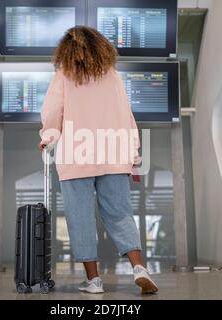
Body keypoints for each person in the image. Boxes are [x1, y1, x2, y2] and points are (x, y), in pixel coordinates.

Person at [38, 26, 158, 294]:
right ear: (99, 46)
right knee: (120, 214)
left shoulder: (64, 75)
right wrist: (134, 153)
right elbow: (127, 117)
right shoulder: (112, 76)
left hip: (76, 156)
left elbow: (52, 112)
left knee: (80, 218)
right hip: (114, 153)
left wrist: (48, 137)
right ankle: (139, 269)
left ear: (66, 51)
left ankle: (94, 281)